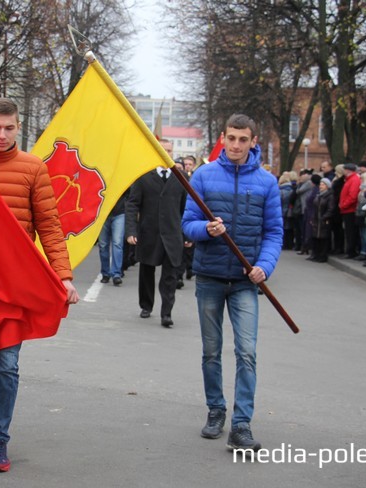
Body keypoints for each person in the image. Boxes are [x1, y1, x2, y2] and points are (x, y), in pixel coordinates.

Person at [0, 98, 79, 473]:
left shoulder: (33, 168)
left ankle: (0, 440)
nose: (2, 134)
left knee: (7, 367)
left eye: (9, 128)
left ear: (18, 127)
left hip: (14, 284)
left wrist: (64, 276)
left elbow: (50, 227)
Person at [181, 114, 283, 451]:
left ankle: (241, 425)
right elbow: (188, 225)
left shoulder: (267, 183)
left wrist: (263, 267)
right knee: (211, 351)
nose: (237, 145)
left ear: (254, 141)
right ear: (223, 138)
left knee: (247, 352)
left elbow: (274, 233)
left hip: (244, 281)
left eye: (244, 139)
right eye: (232, 138)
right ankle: (216, 410)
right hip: (210, 276)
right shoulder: (205, 175)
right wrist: (206, 231)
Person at [125, 161, 187, 327]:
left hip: (172, 235)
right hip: (149, 233)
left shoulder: (181, 177)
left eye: (169, 150)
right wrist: (131, 231)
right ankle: (146, 305)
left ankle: (166, 313)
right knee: (146, 270)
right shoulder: (144, 175)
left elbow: (186, 208)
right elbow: (132, 204)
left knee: (170, 275)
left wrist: (187, 234)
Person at [98, 190, 128, 285]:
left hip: (119, 212)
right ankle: (105, 273)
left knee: (117, 243)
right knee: (103, 245)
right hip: (102, 213)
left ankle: (116, 274)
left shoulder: (121, 176)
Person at [310, 178, 336, 263]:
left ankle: (322, 255)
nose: (321, 186)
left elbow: (330, 209)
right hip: (317, 219)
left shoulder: (329, 196)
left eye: (323, 184)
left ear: (327, 186)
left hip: (324, 220)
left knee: (324, 238)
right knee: (316, 237)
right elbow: (315, 208)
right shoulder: (318, 195)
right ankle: (316, 254)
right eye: (320, 184)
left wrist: (324, 217)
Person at [339, 162, 361, 258]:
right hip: (347, 209)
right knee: (348, 232)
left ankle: (351, 251)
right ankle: (350, 250)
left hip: (349, 210)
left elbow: (352, 196)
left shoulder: (354, 179)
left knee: (351, 232)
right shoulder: (349, 179)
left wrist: (343, 205)